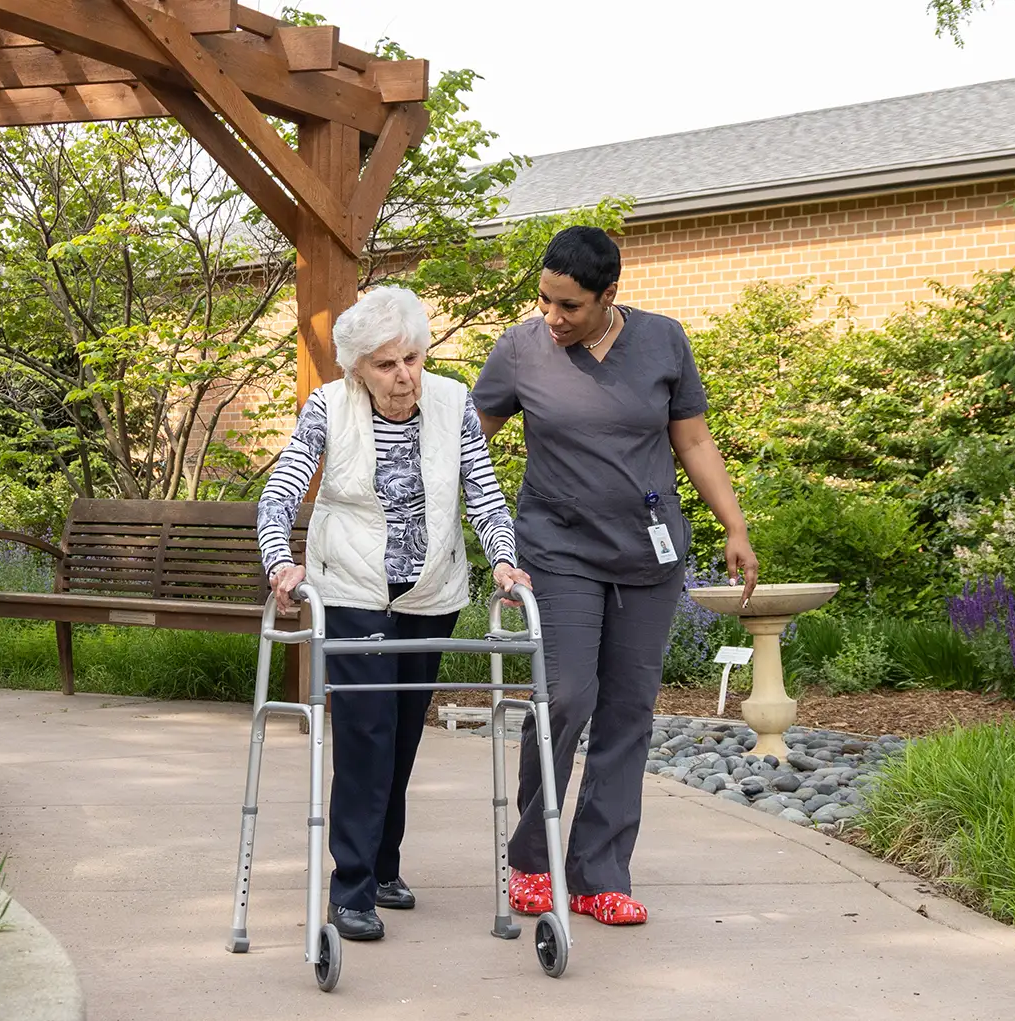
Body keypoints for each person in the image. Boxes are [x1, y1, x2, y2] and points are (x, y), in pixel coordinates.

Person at [472, 226, 758, 926]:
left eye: (569, 305)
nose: (552, 316)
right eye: (544, 300)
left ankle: (600, 874)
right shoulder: (520, 350)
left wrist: (734, 525)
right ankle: (533, 861)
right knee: (567, 696)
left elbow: (693, 439)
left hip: (645, 555)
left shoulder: (662, 341)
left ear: (609, 295)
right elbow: (470, 439)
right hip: (558, 550)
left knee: (629, 710)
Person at [258, 286, 531, 943]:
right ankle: (351, 887)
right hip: (351, 591)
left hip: (430, 593)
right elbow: (283, 486)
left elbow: (484, 493)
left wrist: (503, 559)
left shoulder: (453, 403)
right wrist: (280, 561)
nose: (403, 375)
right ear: (358, 368)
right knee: (367, 734)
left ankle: (383, 867)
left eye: (411, 358)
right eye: (385, 364)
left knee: (404, 733)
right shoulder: (328, 406)